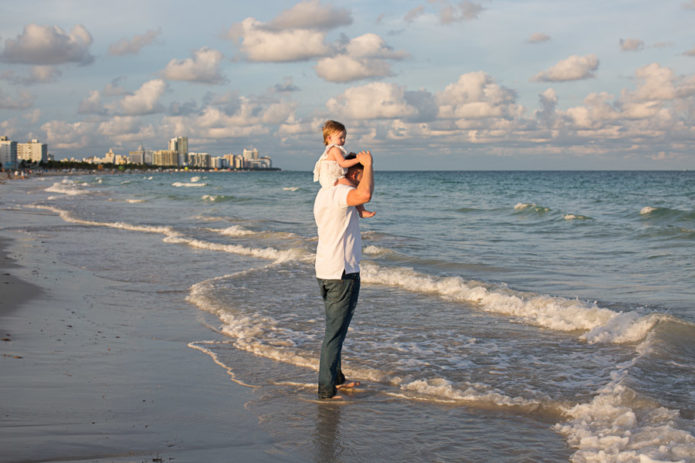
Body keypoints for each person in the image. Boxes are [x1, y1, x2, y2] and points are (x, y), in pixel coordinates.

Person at [314, 149, 374, 400]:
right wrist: (368, 163)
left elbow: (359, 199)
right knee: (334, 334)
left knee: (334, 329)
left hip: (325, 270)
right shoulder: (341, 193)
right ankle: (326, 390)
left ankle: (336, 378)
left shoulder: (324, 194)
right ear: (355, 172)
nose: (363, 178)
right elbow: (365, 194)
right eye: (361, 174)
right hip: (342, 272)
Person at [313, 120, 375, 218]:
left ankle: (361, 210)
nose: (343, 140)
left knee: (354, 189)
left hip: (330, 179)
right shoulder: (335, 149)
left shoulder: (329, 151)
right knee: (355, 189)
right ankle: (361, 210)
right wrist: (360, 160)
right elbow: (343, 163)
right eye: (340, 137)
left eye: (344, 138)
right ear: (329, 138)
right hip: (333, 178)